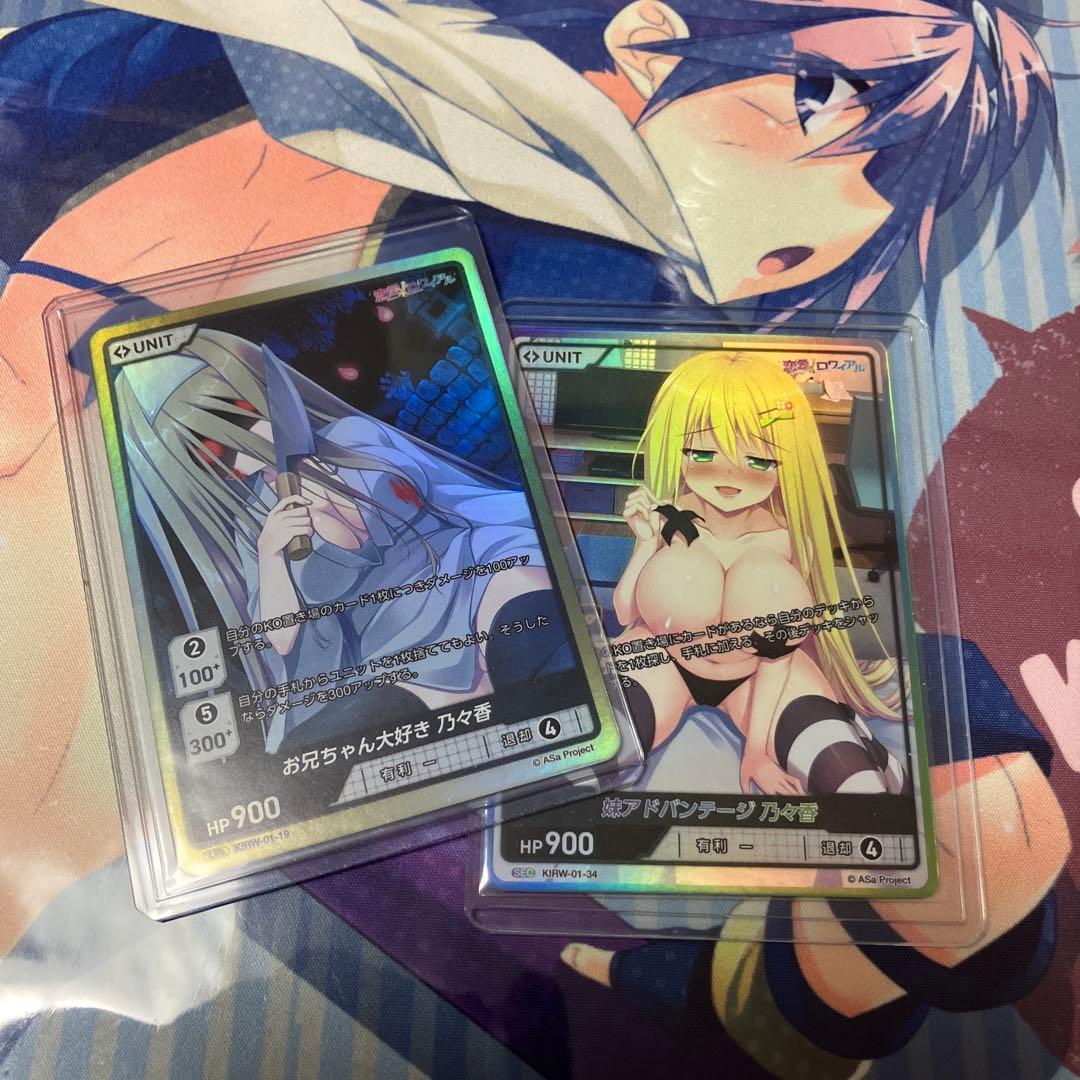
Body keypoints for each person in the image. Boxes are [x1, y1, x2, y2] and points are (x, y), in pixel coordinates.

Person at [117, 328, 557, 751]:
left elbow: (447, 495)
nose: (238, 450)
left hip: (466, 571)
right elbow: (281, 642)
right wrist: (271, 556)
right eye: (211, 452)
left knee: (525, 612)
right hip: (392, 641)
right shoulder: (255, 525)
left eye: (239, 417)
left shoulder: (353, 438)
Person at [613, 351, 904, 795]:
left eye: (758, 461)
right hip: (662, 659)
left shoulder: (789, 540)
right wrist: (645, 544)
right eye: (703, 452)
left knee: (854, 783)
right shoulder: (664, 517)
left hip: (758, 675)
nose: (729, 474)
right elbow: (624, 613)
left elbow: (777, 654)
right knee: (588, 748)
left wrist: (758, 752)